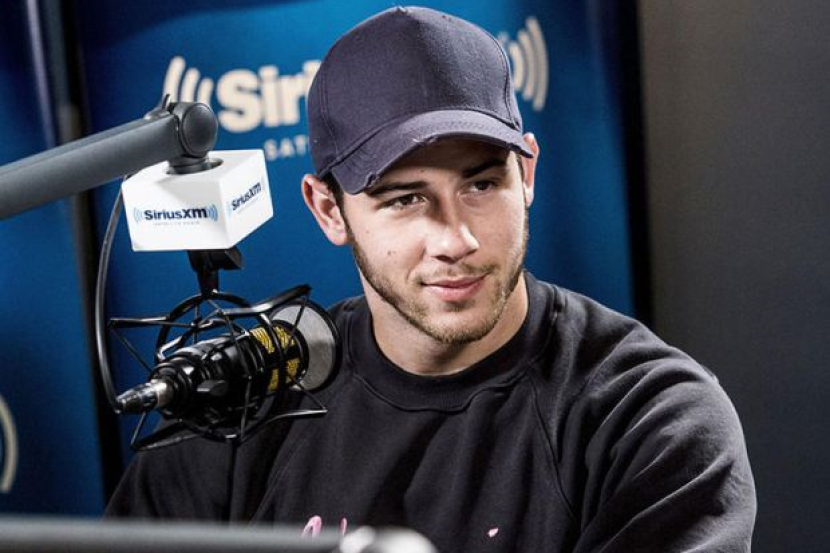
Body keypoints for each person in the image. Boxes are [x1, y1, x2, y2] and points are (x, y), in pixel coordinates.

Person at [106, 6, 756, 551]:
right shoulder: (243, 407)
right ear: (328, 209)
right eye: (405, 199)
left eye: (482, 184)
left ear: (527, 173)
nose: (456, 239)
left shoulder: (649, 419)